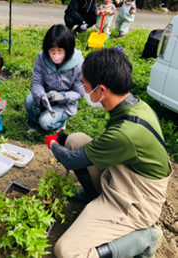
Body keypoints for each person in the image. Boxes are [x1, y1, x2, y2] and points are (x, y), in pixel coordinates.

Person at [44, 49, 170, 258]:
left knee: (66, 251)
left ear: (101, 89)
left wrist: (52, 144)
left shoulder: (126, 133)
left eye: (85, 86)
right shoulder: (134, 106)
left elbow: (70, 160)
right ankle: (94, 195)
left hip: (137, 203)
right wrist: (63, 137)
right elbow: (98, 146)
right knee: (76, 140)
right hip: (125, 179)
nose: (84, 90)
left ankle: (144, 238)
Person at [25, 24, 84, 134]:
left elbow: (79, 93)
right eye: (52, 51)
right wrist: (42, 95)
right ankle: (34, 125)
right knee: (29, 100)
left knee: (45, 122)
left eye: (60, 51)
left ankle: (60, 123)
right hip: (46, 97)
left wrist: (61, 96)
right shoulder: (42, 57)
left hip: (65, 103)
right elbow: (36, 82)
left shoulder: (79, 64)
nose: (56, 55)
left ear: (68, 49)